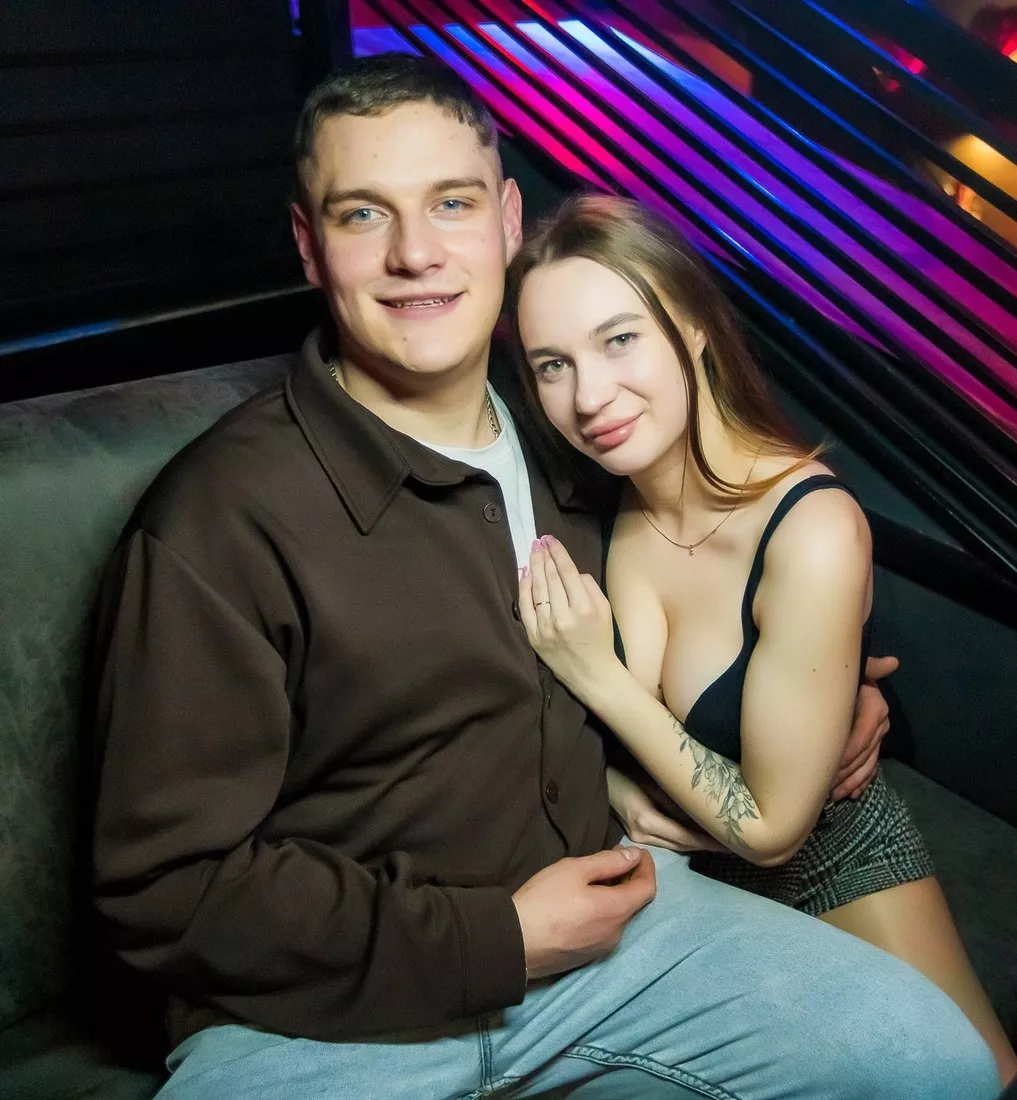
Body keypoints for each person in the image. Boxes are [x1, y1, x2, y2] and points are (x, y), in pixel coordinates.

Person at [89, 53, 1000, 1099]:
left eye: (451, 202)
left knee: (931, 1064)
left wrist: (831, 688)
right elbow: (162, 885)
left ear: (508, 221)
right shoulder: (220, 516)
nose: (416, 252)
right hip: (316, 1018)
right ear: (308, 245)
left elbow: (732, 569)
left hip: (617, 944)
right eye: (363, 215)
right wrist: (499, 937)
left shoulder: (578, 435)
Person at [508, 192, 1016, 1086]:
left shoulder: (809, 528)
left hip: (825, 860)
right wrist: (616, 791)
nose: (588, 397)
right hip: (673, 888)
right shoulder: (582, 502)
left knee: (967, 1078)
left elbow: (772, 829)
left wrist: (599, 676)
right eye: (553, 364)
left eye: (619, 339)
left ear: (693, 326)